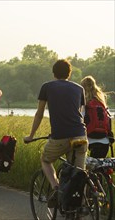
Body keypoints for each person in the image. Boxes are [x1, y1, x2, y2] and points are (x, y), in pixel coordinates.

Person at [24, 59, 87, 207]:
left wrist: (31, 136)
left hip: (60, 137)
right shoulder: (79, 89)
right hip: (80, 135)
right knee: (79, 174)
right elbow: (78, 113)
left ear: (54, 73)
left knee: (46, 160)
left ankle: (56, 188)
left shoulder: (47, 87)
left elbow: (39, 114)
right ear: (69, 74)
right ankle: (81, 206)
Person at [81, 75, 112, 158]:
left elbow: (80, 121)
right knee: (100, 169)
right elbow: (109, 120)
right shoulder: (102, 103)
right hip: (105, 141)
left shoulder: (85, 105)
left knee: (86, 168)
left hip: (91, 141)